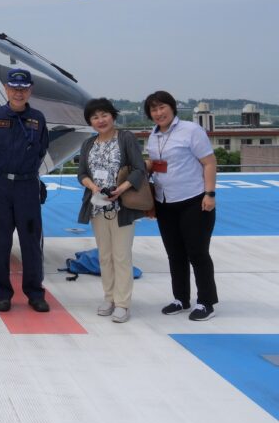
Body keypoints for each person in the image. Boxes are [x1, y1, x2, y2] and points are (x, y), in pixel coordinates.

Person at [0, 68, 51, 313]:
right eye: (14, 88)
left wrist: (24, 173)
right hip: (0, 185)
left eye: (23, 89)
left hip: (27, 186)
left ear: (29, 90)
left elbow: (42, 150)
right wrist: (3, 171)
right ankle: (2, 293)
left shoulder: (38, 119)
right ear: (6, 90)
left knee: (31, 241)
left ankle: (34, 292)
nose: (18, 93)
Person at [145, 90, 219, 321]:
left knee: (197, 253)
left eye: (161, 107)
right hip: (165, 201)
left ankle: (206, 302)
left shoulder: (191, 130)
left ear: (172, 107)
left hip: (194, 199)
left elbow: (209, 162)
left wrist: (210, 193)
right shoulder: (153, 135)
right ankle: (181, 298)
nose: (158, 113)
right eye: (153, 110)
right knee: (174, 253)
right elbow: (156, 165)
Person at [76, 97, 148, 323]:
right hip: (97, 207)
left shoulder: (125, 138)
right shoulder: (88, 144)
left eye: (104, 115)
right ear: (90, 122)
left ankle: (123, 303)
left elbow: (139, 168)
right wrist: (94, 187)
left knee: (122, 256)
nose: (100, 120)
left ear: (113, 116)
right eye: (95, 117)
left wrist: (121, 188)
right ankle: (109, 298)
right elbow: (82, 174)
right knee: (104, 256)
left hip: (121, 207)